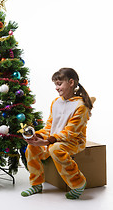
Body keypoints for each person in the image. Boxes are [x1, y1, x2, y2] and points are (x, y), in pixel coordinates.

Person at [21, 68, 95, 200]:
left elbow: (70, 133)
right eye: (55, 84)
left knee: (55, 149)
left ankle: (78, 183)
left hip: (73, 141)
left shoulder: (81, 106)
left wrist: (47, 141)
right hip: (54, 138)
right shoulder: (56, 102)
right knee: (32, 147)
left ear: (71, 82)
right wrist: (38, 136)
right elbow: (50, 126)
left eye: (59, 84)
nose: (56, 88)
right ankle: (36, 184)